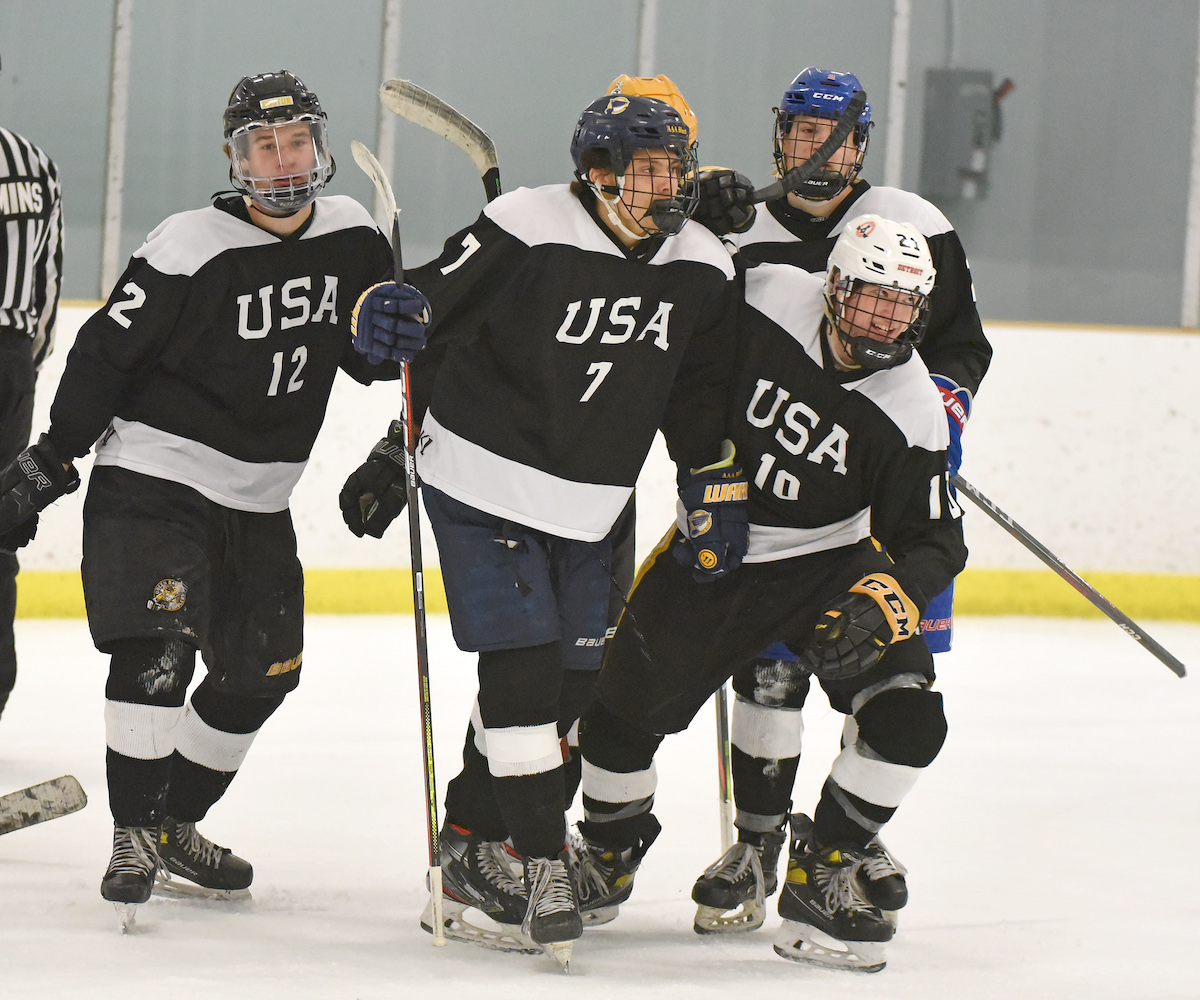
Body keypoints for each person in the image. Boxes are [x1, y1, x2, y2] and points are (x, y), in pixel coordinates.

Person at [0, 70, 428, 926]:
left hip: (260, 499)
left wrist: (395, 360)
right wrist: (49, 459)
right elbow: (103, 358)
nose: (283, 161)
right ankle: (132, 835)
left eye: (296, 141)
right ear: (235, 160)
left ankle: (172, 823)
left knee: (264, 675)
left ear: (320, 146)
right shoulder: (187, 244)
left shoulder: (354, 235)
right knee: (157, 652)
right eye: (263, 146)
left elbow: (366, 358)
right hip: (154, 479)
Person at [341, 92, 741, 966]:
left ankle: (468, 846)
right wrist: (377, 324)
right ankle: (541, 861)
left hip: (592, 503)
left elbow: (697, 388)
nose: (664, 186)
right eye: (644, 170)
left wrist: (708, 477)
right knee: (521, 674)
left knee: (569, 690)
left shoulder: (705, 266)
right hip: (480, 478)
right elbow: (422, 314)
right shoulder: (524, 224)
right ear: (596, 173)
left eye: (673, 168)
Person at [571, 215, 966, 972]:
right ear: (833, 286)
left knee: (911, 718)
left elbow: (937, 541)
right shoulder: (765, 291)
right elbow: (685, 317)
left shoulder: (913, 406)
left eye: (903, 304)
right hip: (715, 552)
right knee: (616, 722)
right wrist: (704, 215)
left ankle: (828, 863)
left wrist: (889, 596)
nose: (885, 320)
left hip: (827, 562)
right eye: (871, 297)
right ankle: (609, 851)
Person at [686, 67, 993, 932]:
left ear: (861, 145)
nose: (817, 151)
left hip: (885, 492)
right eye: (802, 133)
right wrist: (695, 218)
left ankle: (847, 840)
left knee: (887, 670)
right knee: (771, 670)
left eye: (836, 137)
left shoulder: (914, 222)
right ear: (778, 135)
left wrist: (937, 412)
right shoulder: (741, 226)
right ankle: (757, 844)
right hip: (783, 494)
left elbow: (962, 344)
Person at [0, 118, 63, 724]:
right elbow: (47, 285)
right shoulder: (31, 160)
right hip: (9, 362)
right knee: (0, 524)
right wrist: (21, 366)